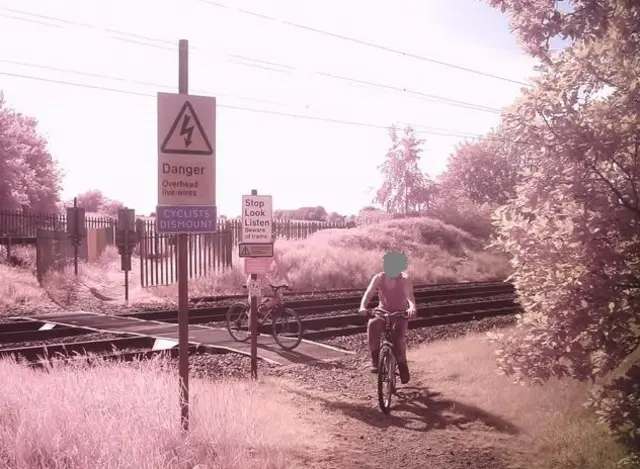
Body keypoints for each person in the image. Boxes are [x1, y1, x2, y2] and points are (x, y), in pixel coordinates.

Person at [358, 251, 417, 384]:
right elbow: (368, 294)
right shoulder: (379, 277)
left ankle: (402, 365)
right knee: (373, 325)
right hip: (382, 311)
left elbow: (409, 297)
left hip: (400, 313)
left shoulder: (404, 279)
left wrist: (411, 307)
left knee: (397, 340)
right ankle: (374, 359)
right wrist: (363, 307)